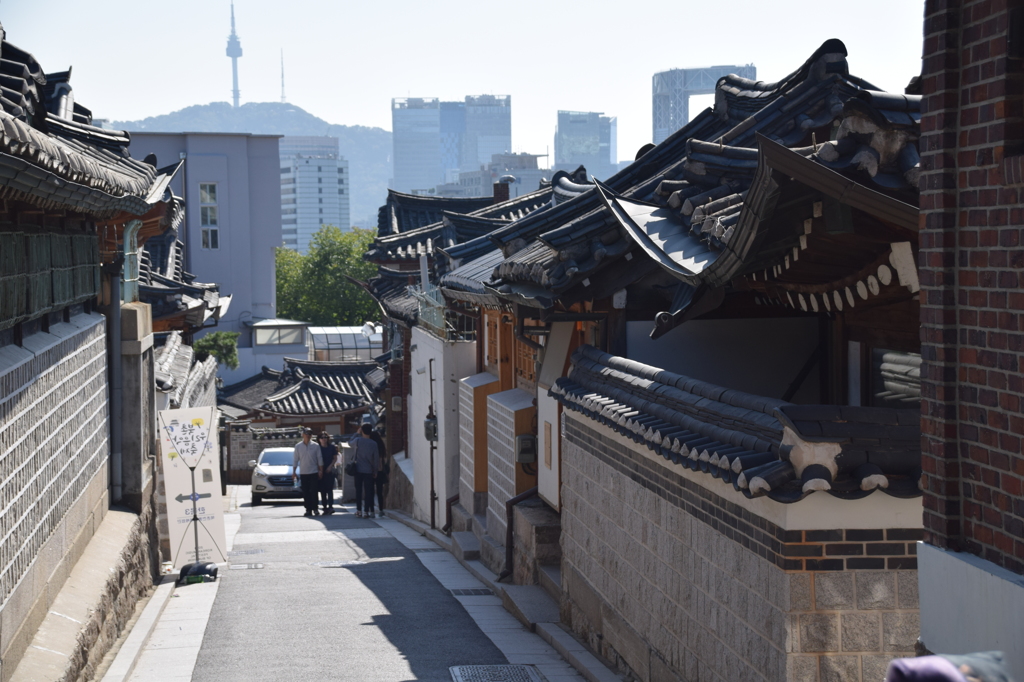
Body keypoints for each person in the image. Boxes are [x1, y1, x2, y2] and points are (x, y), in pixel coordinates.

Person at [349, 424, 379, 518]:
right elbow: (376, 459)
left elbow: (349, 442)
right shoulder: (374, 444)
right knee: (368, 491)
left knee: (358, 490)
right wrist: (375, 471)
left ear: (362, 431)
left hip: (358, 469)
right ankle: (366, 511)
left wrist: (356, 433)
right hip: (369, 470)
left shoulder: (357, 440)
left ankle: (359, 510)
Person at [292, 427, 323, 517]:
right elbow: (295, 459)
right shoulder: (298, 446)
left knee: (314, 491)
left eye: (310, 434)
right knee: (306, 492)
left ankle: (315, 508)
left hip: (313, 471)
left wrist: (321, 471)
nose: (308, 436)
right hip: (303, 472)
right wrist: (294, 472)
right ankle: (308, 509)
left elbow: (319, 459)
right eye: (306, 434)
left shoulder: (315, 445)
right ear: (303, 435)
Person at [317, 432, 339, 515]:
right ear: (319, 439)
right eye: (322, 437)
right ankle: (324, 507)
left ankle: (330, 506)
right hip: (321, 470)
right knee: (322, 490)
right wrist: (319, 470)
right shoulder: (318, 448)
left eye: (325, 437)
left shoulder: (332, 447)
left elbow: (335, 458)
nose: (324, 439)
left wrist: (330, 466)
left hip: (329, 470)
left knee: (329, 489)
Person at [368, 427, 388, 518]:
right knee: (380, 491)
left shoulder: (371, 446)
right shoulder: (382, 446)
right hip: (381, 471)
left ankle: (371, 510)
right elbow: (384, 459)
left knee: (370, 491)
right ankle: (381, 509)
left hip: (371, 470)